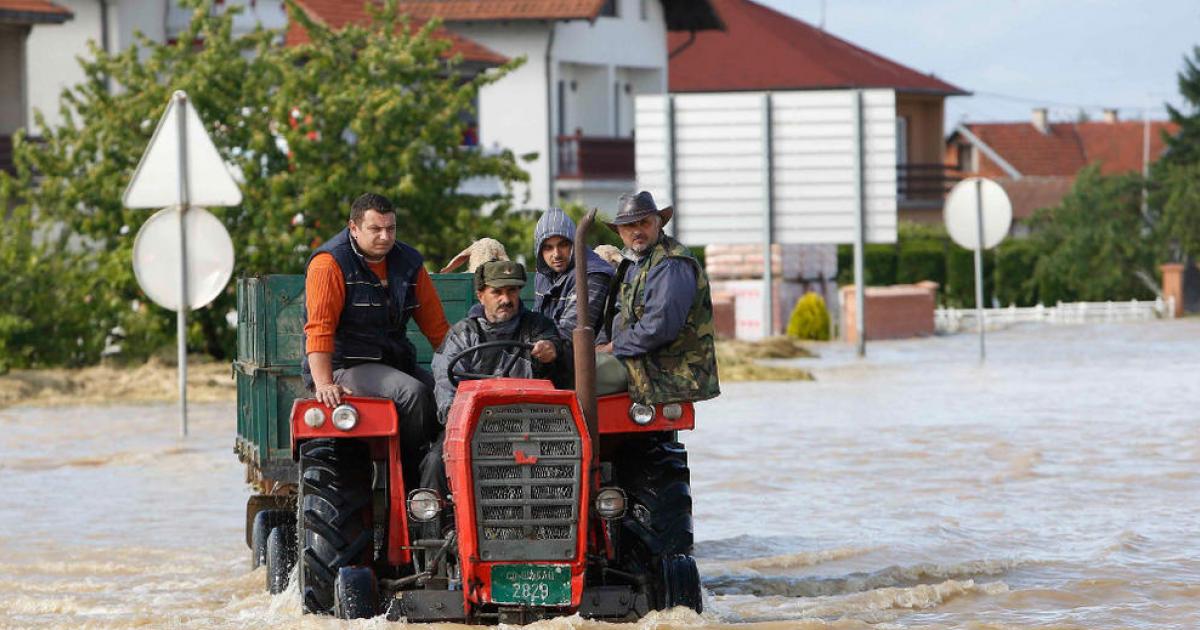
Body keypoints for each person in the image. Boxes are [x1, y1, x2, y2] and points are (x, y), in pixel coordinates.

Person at [302, 192, 449, 487]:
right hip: (347, 366)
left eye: (391, 229)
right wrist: (324, 383)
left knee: (451, 398)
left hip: (394, 361)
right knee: (414, 394)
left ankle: (444, 466)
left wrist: (464, 377)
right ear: (354, 228)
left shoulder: (409, 263)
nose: (384, 236)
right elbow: (319, 329)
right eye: (375, 229)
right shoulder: (329, 264)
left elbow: (438, 330)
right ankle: (413, 480)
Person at [597, 191, 720, 405]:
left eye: (643, 223)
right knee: (565, 367)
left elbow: (659, 327)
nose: (636, 231)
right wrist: (596, 346)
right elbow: (617, 315)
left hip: (670, 373)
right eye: (628, 226)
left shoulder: (671, 264)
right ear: (619, 232)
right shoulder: (633, 262)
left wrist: (610, 349)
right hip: (639, 361)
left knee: (579, 377)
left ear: (658, 224)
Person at [431, 260, 568, 422]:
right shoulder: (462, 334)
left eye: (511, 291)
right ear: (480, 296)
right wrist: (455, 416)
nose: (506, 299)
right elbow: (445, 383)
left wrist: (551, 351)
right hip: (476, 421)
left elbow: (555, 352)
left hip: (530, 419)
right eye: (497, 292)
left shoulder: (538, 326)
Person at [533, 207, 615, 341]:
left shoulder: (593, 274)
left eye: (563, 245)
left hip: (590, 356)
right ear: (539, 251)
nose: (556, 254)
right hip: (551, 349)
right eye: (548, 247)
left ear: (575, 243)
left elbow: (569, 333)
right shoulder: (544, 273)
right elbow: (534, 323)